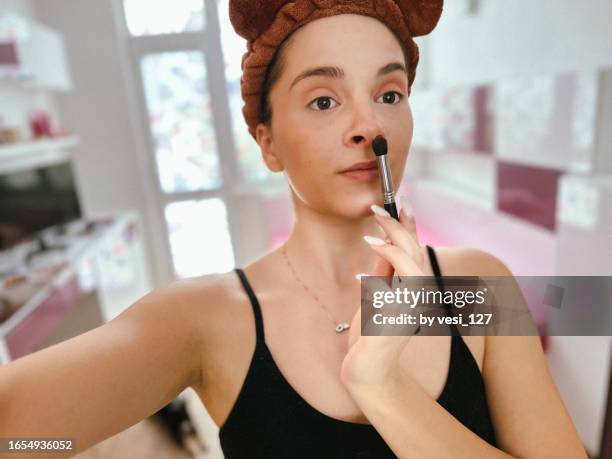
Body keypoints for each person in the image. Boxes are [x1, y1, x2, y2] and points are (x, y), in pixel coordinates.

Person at [0, 1, 587, 457]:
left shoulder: (477, 283)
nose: (367, 124)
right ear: (268, 142)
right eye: (324, 101)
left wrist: (381, 385)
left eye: (389, 93)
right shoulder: (205, 320)